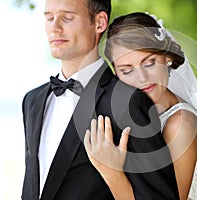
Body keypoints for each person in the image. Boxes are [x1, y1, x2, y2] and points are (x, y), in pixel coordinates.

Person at [21, 0, 180, 199]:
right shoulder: (32, 101)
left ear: (99, 23)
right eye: (49, 18)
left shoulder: (129, 102)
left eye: (67, 17)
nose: (54, 27)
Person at [84, 12, 197, 200]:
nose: (142, 78)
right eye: (127, 70)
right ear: (115, 73)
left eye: (149, 63)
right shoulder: (132, 116)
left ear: (166, 58)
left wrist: (112, 173)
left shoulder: (181, 125)